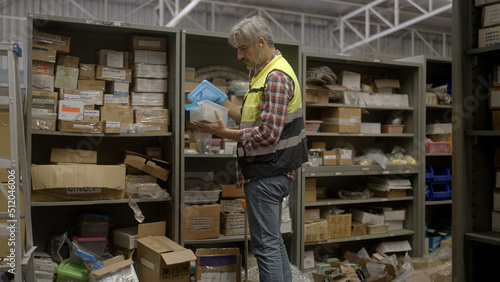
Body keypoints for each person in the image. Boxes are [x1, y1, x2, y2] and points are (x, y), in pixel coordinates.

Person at [193, 15, 308, 282]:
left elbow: (267, 134)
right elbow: (251, 119)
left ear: (260, 42)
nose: (239, 55)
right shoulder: (264, 73)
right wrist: (220, 100)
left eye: (243, 48)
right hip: (270, 171)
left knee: (265, 246)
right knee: (272, 241)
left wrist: (223, 134)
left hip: (268, 172)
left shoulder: (276, 77)